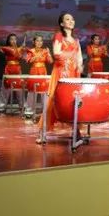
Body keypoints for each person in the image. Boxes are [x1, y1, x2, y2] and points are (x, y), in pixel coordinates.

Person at [38, 13, 83, 143]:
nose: (71, 21)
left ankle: (76, 131)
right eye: (67, 19)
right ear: (62, 24)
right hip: (61, 71)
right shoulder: (59, 36)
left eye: (72, 19)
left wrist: (79, 65)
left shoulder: (76, 40)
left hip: (73, 72)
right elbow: (57, 53)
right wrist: (71, 54)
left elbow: (79, 57)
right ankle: (42, 132)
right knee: (54, 99)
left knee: (74, 101)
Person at [24, 35, 53, 118]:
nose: (39, 42)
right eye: (37, 41)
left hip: (43, 71)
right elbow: (28, 60)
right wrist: (36, 56)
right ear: (34, 42)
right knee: (32, 90)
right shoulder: (31, 51)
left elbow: (50, 61)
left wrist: (49, 53)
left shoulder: (45, 51)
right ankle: (29, 110)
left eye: (41, 41)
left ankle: (46, 110)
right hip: (34, 71)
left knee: (44, 90)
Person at [0, 34, 24, 112]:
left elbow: (20, 57)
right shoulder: (6, 48)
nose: (13, 41)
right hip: (9, 69)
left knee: (19, 87)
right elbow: (3, 49)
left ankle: (22, 105)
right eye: (11, 39)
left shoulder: (19, 49)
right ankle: (2, 106)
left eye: (15, 39)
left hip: (17, 69)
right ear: (8, 41)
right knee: (6, 87)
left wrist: (20, 49)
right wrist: (18, 49)